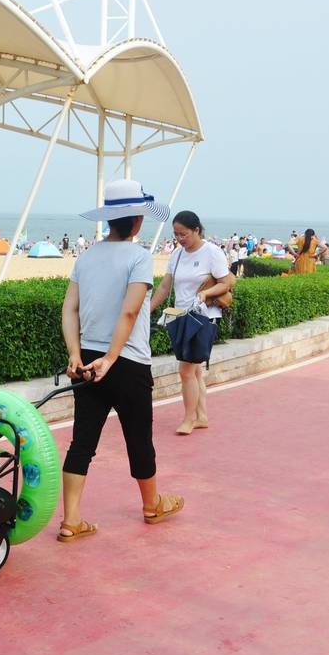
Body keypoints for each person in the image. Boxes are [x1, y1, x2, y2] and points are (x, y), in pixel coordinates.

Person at [59, 178, 185, 542]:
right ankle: (152, 506)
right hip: (126, 361)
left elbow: (70, 309)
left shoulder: (86, 257)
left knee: (82, 440)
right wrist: (113, 358)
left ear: (109, 219)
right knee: (138, 437)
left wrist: (75, 354)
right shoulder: (139, 256)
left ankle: (71, 520)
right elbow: (130, 313)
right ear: (137, 222)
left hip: (87, 361)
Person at [151, 210, 234, 436]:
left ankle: (188, 419)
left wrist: (206, 294)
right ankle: (202, 416)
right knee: (195, 371)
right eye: (176, 234)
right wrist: (147, 308)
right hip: (179, 316)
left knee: (186, 370)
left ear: (197, 230)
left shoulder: (212, 252)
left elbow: (225, 283)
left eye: (184, 234)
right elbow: (165, 287)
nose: (180, 239)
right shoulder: (177, 255)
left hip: (203, 318)